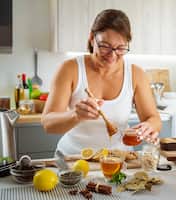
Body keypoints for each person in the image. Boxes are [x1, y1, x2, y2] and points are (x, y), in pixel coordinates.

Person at [41, 9, 162, 155]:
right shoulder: (70, 69)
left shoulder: (136, 74)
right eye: (105, 46)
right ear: (92, 38)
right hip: (74, 159)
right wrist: (76, 115)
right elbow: (48, 124)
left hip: (118, 160)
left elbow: (154, 118)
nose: (112, 55)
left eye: (120, 48)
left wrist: (149, 126)